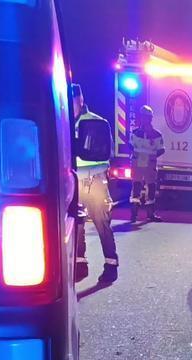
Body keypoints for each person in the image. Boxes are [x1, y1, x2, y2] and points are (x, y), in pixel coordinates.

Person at [71, 84, 117, 282]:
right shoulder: (61, 123)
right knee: (78, 223)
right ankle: (80, 265)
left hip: (95, 179)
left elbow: (108, 152)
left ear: (80, 100)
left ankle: (111, 264)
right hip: (73, 179)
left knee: (102, 223)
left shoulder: (96, 122)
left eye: (72, 101)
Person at [129, 105, 165, 222]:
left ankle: (146, 213)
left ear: (150, 119)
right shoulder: (137, 133)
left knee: (148, 186)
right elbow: (130, 145)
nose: (145, 119)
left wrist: (150, 157)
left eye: (147, 117)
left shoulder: (155, 134)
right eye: (144, 117)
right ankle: (137, 213)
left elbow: (161, 149)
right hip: (142, 163)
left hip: (145, 163)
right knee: (139, 186)